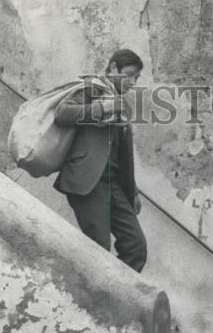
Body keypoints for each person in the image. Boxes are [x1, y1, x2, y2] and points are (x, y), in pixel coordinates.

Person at [53, 49, 147, 272]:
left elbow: (124, 157)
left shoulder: (122, 106)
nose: (132, 82)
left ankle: (116, 297)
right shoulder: (92, 88)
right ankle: (99, 303)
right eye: (129, 75)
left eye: (137, 78)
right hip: (87, 183)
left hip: (114, 186)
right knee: (99, 251)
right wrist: (100, 108)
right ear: (114, 68)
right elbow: (62, 113)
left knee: (136, 246)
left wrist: (132, 192)